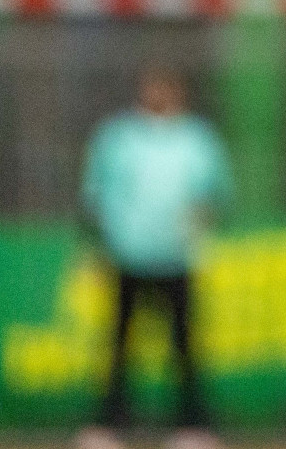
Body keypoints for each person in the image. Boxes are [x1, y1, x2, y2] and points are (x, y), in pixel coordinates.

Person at [78, 66, 232, 449]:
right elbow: (95, 192)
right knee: (118, 344)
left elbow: (216, 193)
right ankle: (109, 425)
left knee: (184, 345)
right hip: (127, 256)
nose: (159, 93)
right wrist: (100, 243)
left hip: (177, 258)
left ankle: (193, 427)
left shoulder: (197, 139)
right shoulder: (117, 137)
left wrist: (200, 222)